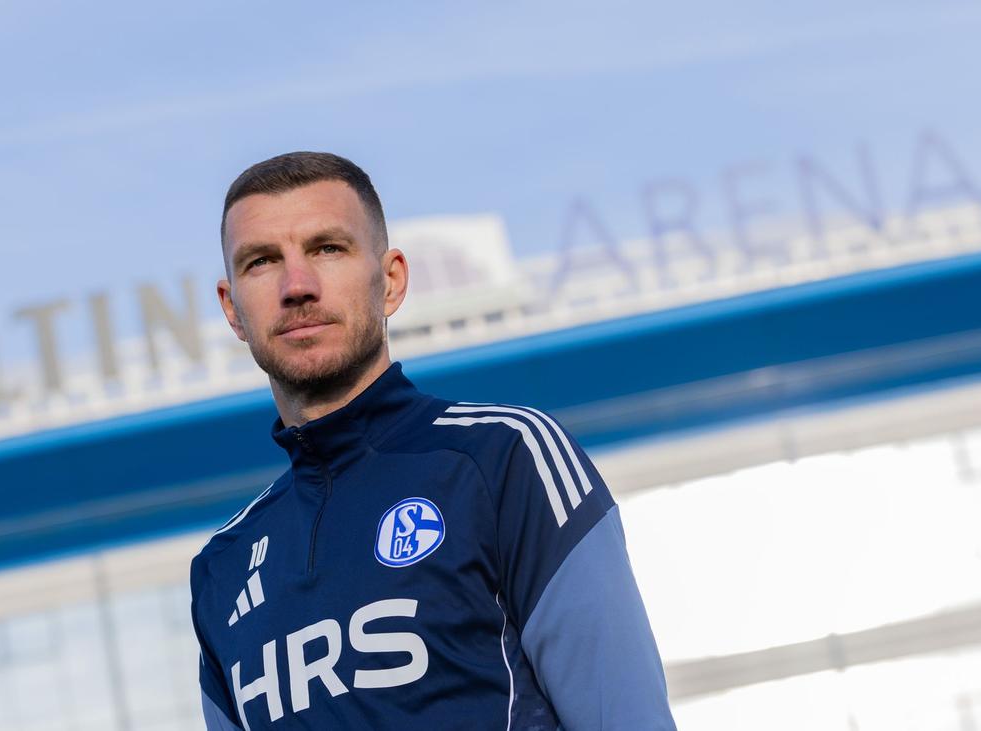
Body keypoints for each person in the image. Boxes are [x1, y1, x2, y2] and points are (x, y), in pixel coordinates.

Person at [190, 151, 676, 730]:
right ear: (232, 310)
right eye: (262, 261)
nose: (297, 286)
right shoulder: (222, 569)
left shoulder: (506, 459)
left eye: (328, 248)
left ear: (391, 281)